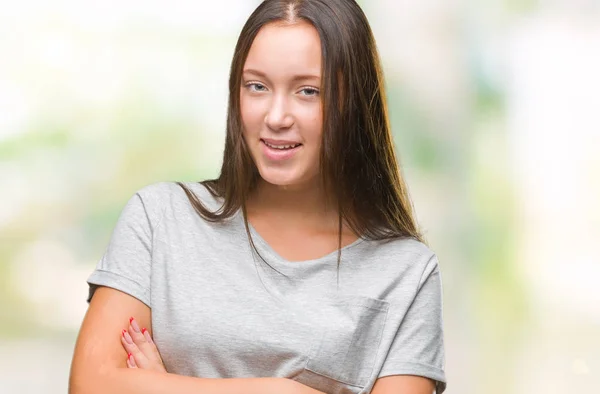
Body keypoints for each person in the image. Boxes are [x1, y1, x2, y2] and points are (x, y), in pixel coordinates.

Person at [68, 0, 447, 393]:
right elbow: (91, 385)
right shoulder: (159, 220)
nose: (276, 116)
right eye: (257, 86)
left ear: (352, 102)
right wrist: (282, 391)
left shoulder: (406, 272)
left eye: (308, 91)